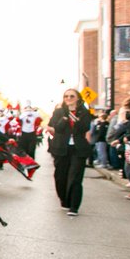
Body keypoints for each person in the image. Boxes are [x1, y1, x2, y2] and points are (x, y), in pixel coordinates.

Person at [44, 88, 93, 216]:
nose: (69, 99)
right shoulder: (59, 112)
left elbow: (85, 127)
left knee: (75, 177)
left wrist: (76, 119)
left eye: (72, 96)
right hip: (61, 148)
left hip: (78, 148)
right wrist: (65, 118)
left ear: (77, 98)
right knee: (60, 176)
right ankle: (64, 200)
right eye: (66, 96)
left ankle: (74, 206)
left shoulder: (84, 112)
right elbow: (57, 128)